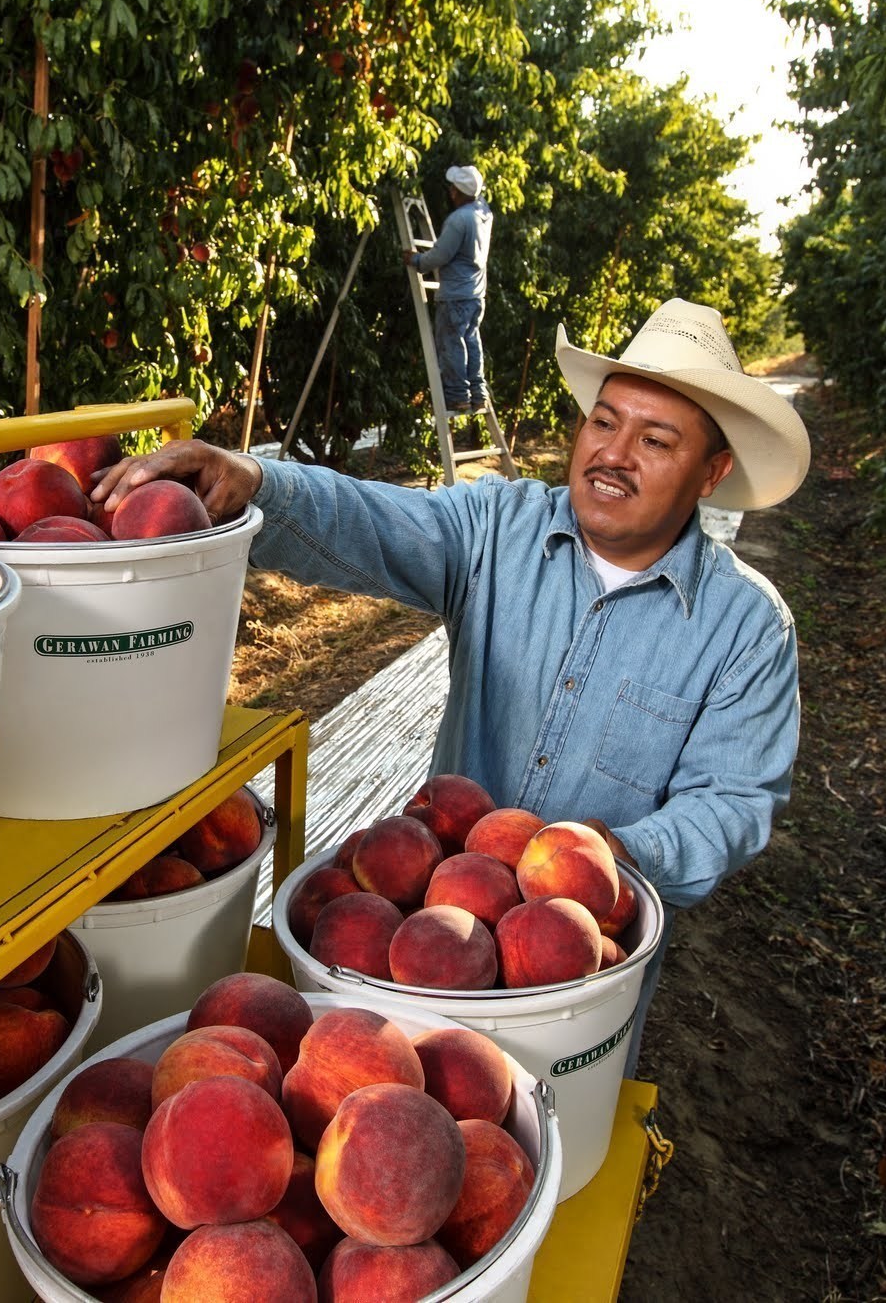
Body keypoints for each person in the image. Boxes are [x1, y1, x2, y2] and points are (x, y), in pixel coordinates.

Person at [93, 299, 808, 1066]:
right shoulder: (499, 528)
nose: (613, 453)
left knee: (557, 1142)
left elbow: (732, 805)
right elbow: (373, 520)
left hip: (577, 983)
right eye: (604, 423)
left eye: (656, 439)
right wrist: (256, 479)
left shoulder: (746, 628)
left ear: (712, 471)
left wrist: (609, 853)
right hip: (433, 941)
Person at [406, 165, 494, 415]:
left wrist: (417, 261)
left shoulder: (459, 219)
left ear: (460, 192)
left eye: (454, 187)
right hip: (475, 294)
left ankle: (458, 397)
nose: (451, 191)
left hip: (455, 295)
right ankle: (477, 393)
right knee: (471, 341)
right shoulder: (483, 212)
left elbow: (441, 255)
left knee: (452, 344)